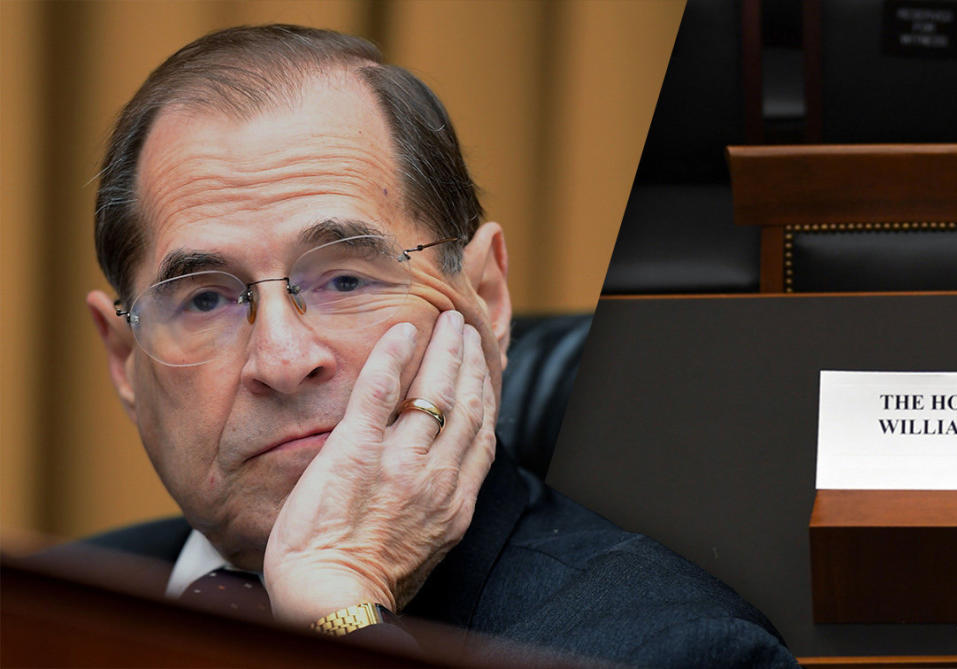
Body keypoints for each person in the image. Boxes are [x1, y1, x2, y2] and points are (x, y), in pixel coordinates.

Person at [73, 24, 796, 667]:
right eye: (205, 298)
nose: (284, 359)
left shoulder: (674, 648)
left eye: (346, 279)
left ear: (484, 295)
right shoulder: (48, 609)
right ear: (122, 357)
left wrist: (339, 612)